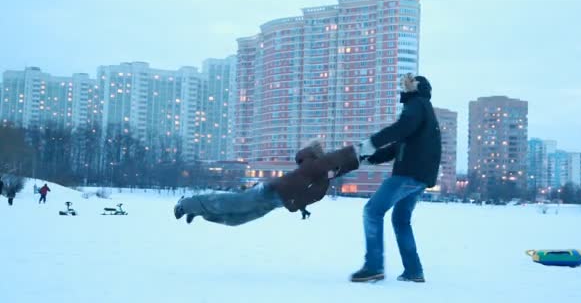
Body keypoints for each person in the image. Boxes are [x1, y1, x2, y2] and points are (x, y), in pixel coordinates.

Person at [350, 74, 441, 283]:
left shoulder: (417, 105)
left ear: (416, 88)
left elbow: (400, 129)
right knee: (400, 220)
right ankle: (413, 270)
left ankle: (373, 266)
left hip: (409, 174)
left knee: (372, 211)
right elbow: (397, 146)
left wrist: (371, 142)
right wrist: (368, 157)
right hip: (419, 177)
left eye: (408, 84)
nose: (404, 86)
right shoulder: (423, 111)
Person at [174, 140, 359, 226]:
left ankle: (197, 209)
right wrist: (355, 155)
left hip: (275, 201)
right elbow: (334, 161)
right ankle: (186, 204)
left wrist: (300, 206)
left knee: (235, 220)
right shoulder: (313, 165)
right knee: (231, 203)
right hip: (269, 192)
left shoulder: (321, 175)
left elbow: (315, 192)